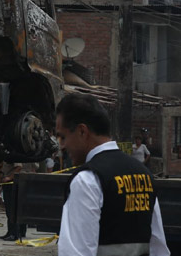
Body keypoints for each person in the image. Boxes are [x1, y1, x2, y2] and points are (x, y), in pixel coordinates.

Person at [56, 93, 170, 256]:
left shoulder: (87, 180)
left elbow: (75, 252)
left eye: (63, 137)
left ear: (82, 131)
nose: (62, 146)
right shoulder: (144, 175)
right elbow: (159, 249)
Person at [0, 161, 24, 241]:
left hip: (11, 185)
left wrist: (10, 177)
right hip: (6, 184)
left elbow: (19, 166)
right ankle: (10, 232)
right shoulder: (7, 157)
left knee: (12, 210)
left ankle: (14, 234)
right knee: (8, 211)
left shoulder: (14, 155)